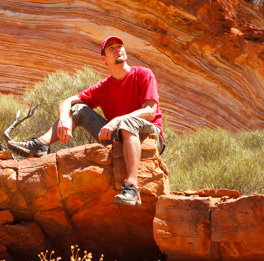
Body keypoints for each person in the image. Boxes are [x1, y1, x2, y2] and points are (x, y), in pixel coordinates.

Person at [16, 34, 165, 207]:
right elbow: (68, 102)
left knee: (126, 122)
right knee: (78, 110)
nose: (117, 49)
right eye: (111, 48)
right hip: (119, 136)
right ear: (104, 58)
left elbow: (150, 112)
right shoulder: (104, 87)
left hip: (150, 135)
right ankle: (41, 144)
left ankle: (132, 188)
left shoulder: (143, 74)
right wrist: (64, 118)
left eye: (120, 46)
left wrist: (117, 120)